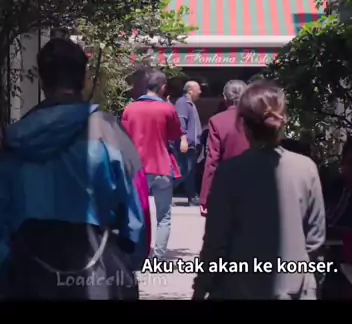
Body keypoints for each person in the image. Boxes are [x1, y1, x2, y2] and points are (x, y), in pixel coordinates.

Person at [0, 38, 149, 299]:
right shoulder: (110, 133)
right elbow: (137, 213)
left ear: (43, 81)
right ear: (83, 79)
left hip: (28, 277)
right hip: (96, 273)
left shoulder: (15, 140)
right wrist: (127, 261)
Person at [193, 81, 326, 300]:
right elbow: (315, 242)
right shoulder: (306, 169)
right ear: (283, 120)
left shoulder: (230, 172)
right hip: (293, 290)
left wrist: (201, 288)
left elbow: (215, 243)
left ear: (243, 124)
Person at [122, 71, 183, 260]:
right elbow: (174, 134)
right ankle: (158, 257)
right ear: (163, 88)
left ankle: (136, 255)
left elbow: (123, 137)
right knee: (163, 216)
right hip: (162, 166)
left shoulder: (130, 109)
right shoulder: (167, 109)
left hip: (137, 169)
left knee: (136, 214)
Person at [200, 80, 249, 216]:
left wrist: (205, 196)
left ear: (225, 97)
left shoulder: (217, 121)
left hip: (226, 186)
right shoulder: (256, 118)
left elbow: (212, 160)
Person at [174, 81, 203, 206]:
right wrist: (183, 139)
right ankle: (165, 189)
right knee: (184, 170)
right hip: (186, 144)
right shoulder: (182, 103)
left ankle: (192, 196)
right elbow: (181, 122)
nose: (200, 92)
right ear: (190, 90)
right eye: (198, 89)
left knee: (190, 172)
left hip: (192, 145)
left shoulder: (190, 104)